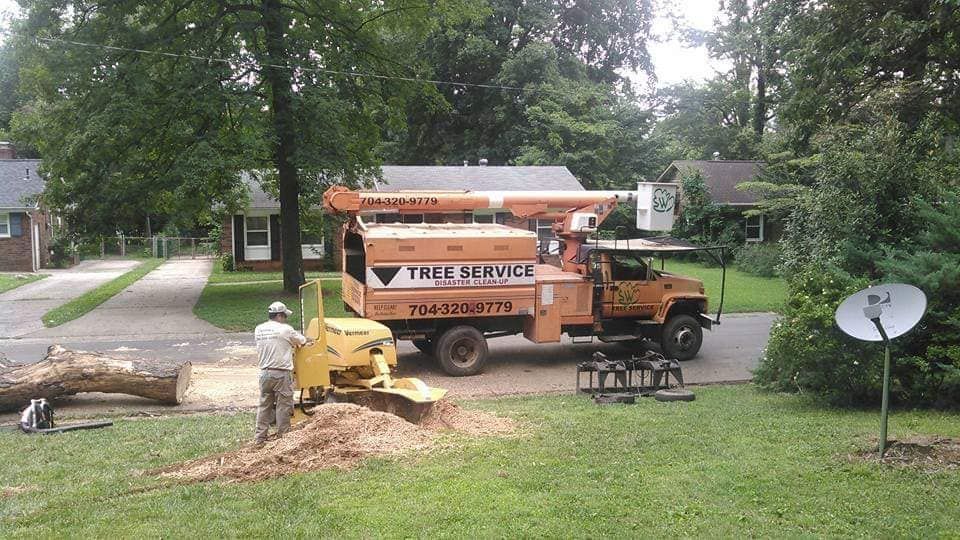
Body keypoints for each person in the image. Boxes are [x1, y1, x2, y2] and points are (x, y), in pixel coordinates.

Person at [253, 301, 307, 444]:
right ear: (279, 315)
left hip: (264, 373)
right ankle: (283, 438)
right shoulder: (285, 329)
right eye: (284, 316)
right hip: (281, 373)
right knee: (284, 406)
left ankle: (260, 438)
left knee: (265, 405)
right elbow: (302, 340)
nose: (285, 319)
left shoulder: (259, 329)